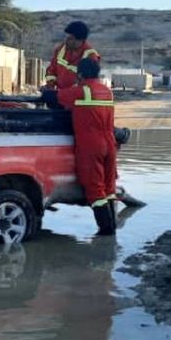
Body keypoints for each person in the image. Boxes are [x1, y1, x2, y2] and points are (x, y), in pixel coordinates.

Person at [57, 57, 117, 236]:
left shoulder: (82, 91)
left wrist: (44, 92)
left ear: (80, 74)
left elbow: (57, 97)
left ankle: (106, 232)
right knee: (109, 187)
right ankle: (113, 229)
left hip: (91, 146)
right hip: (110, 143)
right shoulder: (107, 91)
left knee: (95, 189)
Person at [45, 20, 101, 91]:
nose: (66, 41)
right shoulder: (61, 49)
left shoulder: (91, 56)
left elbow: (90, 82)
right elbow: (51, 69)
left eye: (70, 39)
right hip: (61, 92)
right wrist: (50, 85)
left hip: (77, 95)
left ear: (80, 40)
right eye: (67, 37)